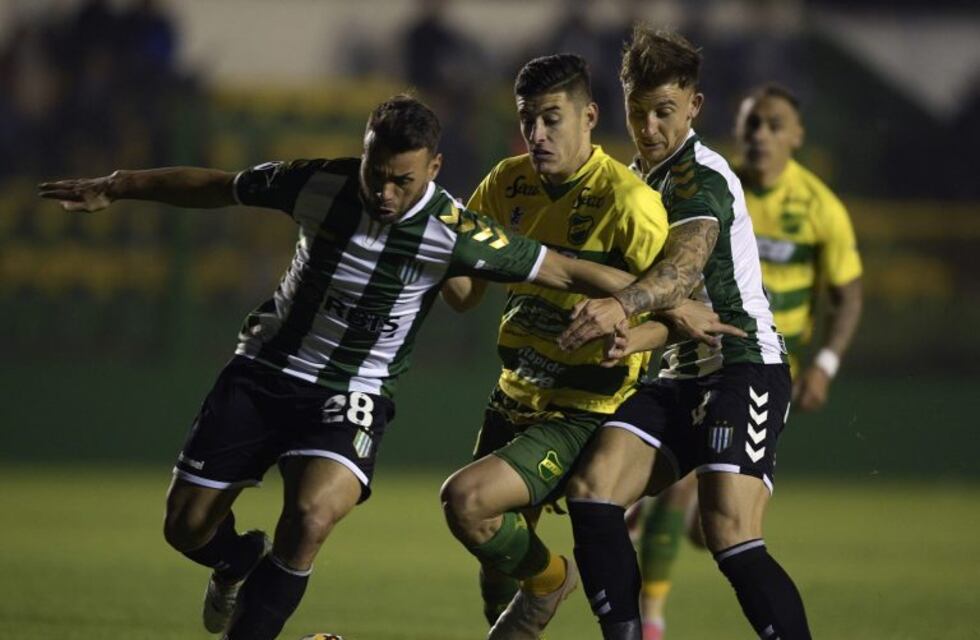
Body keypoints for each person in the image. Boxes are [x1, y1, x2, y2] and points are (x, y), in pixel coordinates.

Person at [37, 94, 648, 640]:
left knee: (312, 515)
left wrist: (660, 300)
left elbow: (567, 270)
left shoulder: (456, 231)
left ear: (433, 170)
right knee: (185, 527)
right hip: (263, 372)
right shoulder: (316, 183)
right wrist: (119, 184)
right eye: (375, 174)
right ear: (362, 154)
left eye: (401, 182)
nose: (384, 193)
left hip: (353, 391)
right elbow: (220, 187)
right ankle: (236, 561)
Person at [437, 54, 744, 640]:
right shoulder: (507, 182)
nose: (537, 135)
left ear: (589, 117)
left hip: (584, 408)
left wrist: (632, 327)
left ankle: (556, 580)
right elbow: (463, 295)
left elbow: (684, 314)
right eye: (528, 120)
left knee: (467, 502)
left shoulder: (630, 203)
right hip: (515, 396)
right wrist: (431, 242)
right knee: (496, 571)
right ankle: (536, 591)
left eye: (552, 119)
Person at [557, 28, 813, 640]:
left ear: (693, 107)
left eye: (664, 112)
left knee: (727, 531)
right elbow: (673, 315)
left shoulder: (701, 177)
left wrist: (622, 307)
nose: (648, 127)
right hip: (677, 372)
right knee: (593, 492)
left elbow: (681, 272)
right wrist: (634, 336)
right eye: (637, 110)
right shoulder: (630, 182)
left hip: (743, 365)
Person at [628, 83, 863, 640]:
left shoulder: (819, 207)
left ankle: (653, 609)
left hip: (757, 363)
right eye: (751, 124)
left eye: (773, 124)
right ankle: (653, 619)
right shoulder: (712, 186)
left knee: (714, 521)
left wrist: (825, 363)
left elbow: (847, 293)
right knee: (690, 499)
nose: (759, 136)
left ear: (797, 136)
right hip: (700, 358)